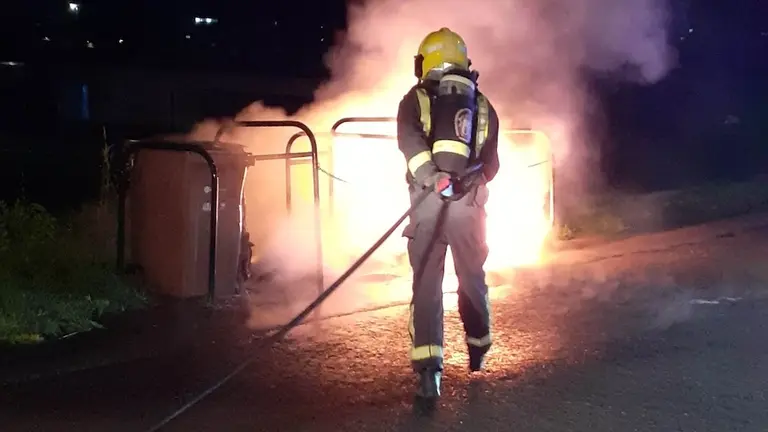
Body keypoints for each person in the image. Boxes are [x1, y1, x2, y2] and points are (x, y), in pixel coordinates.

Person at [397, 27, 501, 400]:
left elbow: (409, 143)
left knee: (427, 284)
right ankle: (478, 346)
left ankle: (429, 372)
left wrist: (432, 177)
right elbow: (492, 165)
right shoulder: (483, 105)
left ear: (426, 61)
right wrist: (466, 181)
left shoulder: (415, 99)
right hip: (468, 208)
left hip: (426, 205)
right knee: (472, 278)